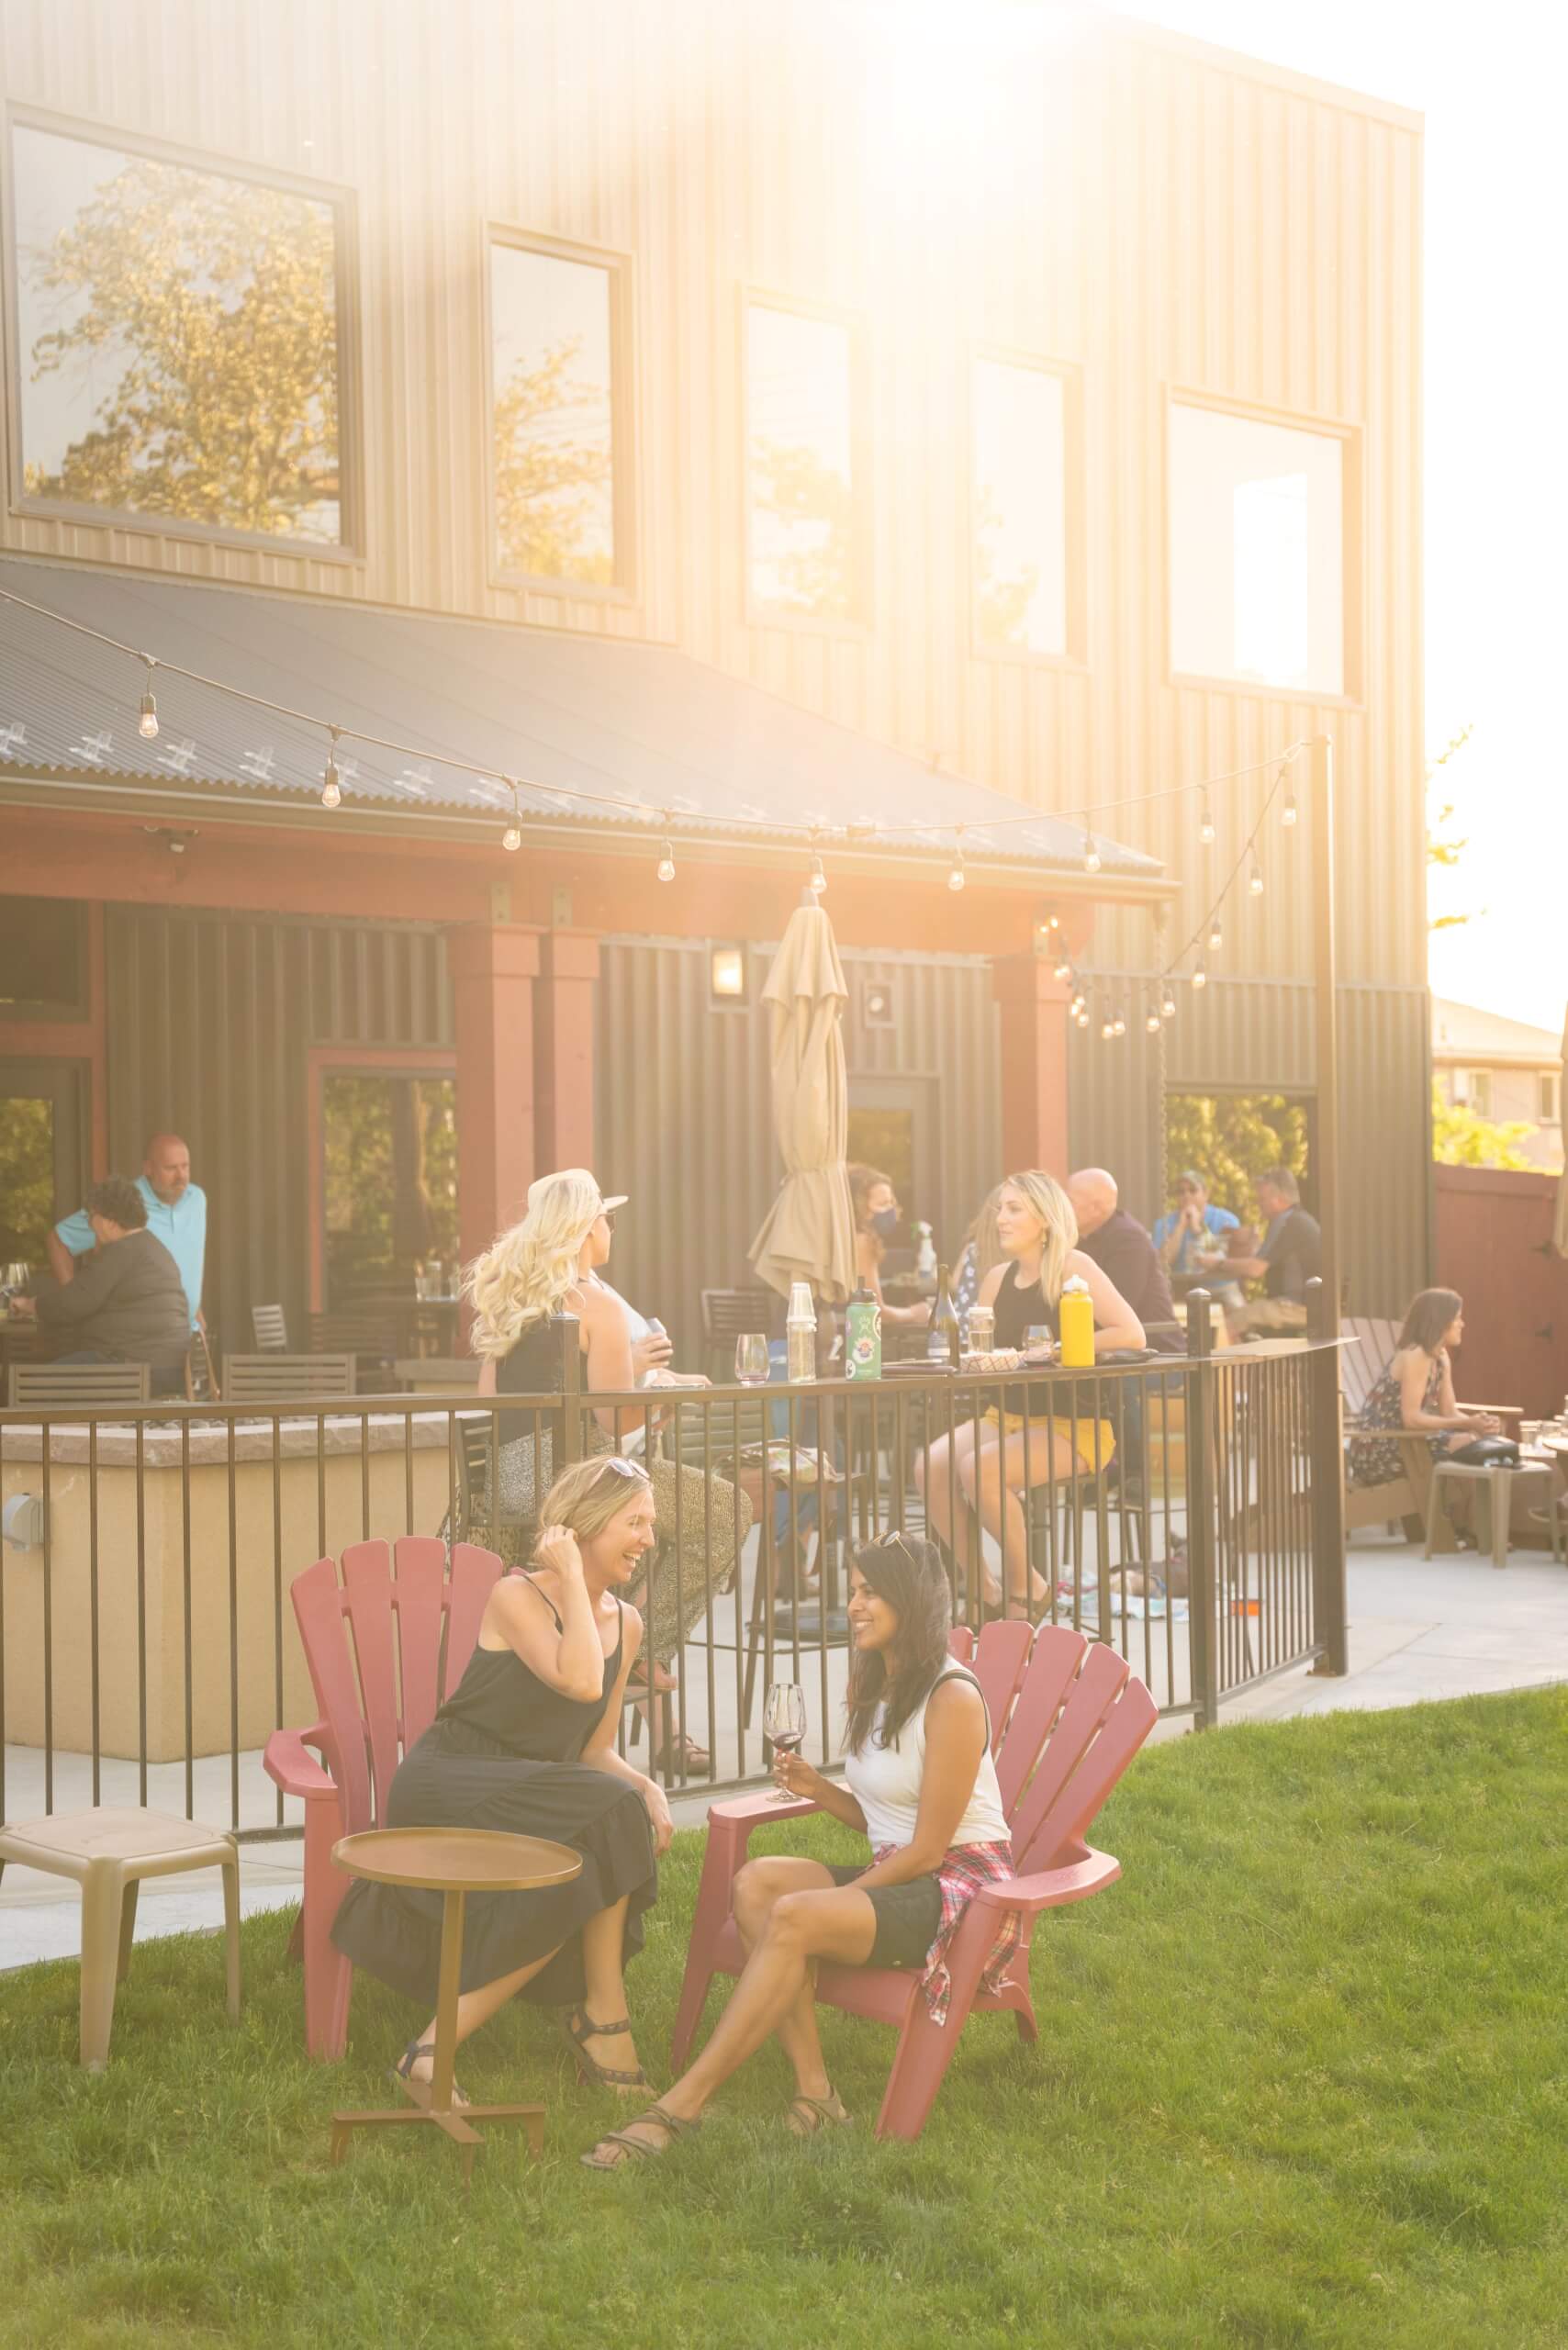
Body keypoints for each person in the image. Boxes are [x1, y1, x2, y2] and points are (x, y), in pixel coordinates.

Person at [581, 1534, 1016, 2166]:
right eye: (854, 1590)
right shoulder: (883, 1682)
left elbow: (927, 1851)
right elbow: (885, 1819)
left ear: (912, 1601)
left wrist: (837, 1897)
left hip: (959, 1889)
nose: (854, 1605)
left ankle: (679, 2106)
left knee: (793, 1914)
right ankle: (817, 2093)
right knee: (758, 1884)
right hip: (898, 1870)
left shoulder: (952, 1697)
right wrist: (819, 1788)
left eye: (871, 1593)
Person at [331, 1454, 669, 2101]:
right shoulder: (517, 1596)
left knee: (605, 1824)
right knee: (607, 1814)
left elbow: (594, 1751)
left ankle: (429, 2054)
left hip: (530, 1788)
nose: (648, 1540)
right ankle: (603, 2022)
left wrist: (646, 1786)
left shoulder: (626, 1624)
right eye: (635, 1522)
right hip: (451, 1778)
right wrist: (571, 1576)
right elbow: (580, 1681)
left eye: (650, 1524)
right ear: (586, 1527)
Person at [916, 1171, 1145, 1618]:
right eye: (1000, 1208)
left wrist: (1058, 1351)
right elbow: (982, 1350)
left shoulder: (1073, 1268)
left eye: (1014, 1209)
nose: (1001, 1218)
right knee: (931, 1466)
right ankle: (984, 1587)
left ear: (1044, 1218)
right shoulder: (996, 1279)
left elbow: (1131, 1333)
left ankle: (1027, 1586)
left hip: (1073, 1426)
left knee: (980, 1469)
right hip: (1004, 1417)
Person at [576, 1235, 754, 1776]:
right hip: (589, 1467)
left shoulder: (598, 1289)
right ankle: (645, 1659)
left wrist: (657, 1387)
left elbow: (614, 1389)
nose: (611, 1227)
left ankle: (656, 1703)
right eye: (605, 1216)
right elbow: (598, 1402)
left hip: (617, 1456)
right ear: (584, 1226)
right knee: (722, 1512)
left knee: (648, 1555)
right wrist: (643, 1379)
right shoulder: (573, 1297)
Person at [14, 1175, 190, 1393]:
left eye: (91, 1217)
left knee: (30, 1389)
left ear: (107, 1220)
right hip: (161, 1365)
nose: (89, 1225)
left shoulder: (122, 1251)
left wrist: (30, 1305)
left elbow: (74, 1302)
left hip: (133, 1367)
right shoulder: (152, 1248)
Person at [48, 1135, 207, 1332]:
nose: (181, 1176)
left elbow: (186, 1257)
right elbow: (59, 1240)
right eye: (171, 1168)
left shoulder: (197, 1199)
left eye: (185, 1166)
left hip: (188, 1332)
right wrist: (73, 1302)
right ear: (148, 1169)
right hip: (139, 1339)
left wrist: (195, 1307)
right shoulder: (124, 1202)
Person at [1348, 1289, 1500, 1490]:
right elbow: (1410, 1419)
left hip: (1410, 1443)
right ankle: (1457, 1517)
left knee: (1482, 1441)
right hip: (1381, 1449)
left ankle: (1456, 1514)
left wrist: (1479, 1422)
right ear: (1441, 1321)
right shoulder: (1416, 1355)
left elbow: (1449, 1411)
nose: (1462, 1324)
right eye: (1458, 1318)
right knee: (1472, 1444)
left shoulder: (1441, 1356)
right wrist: (1468, 1423)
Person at [1066, 1169, 1180, 1348]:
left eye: (1069, 1201)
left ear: (1095, 1209)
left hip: (1155, 1357)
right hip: (1105, 1354)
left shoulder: (1128, 1240)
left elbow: (1116, 1309)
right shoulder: (1080, 1239)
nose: (1062, 1207)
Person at [1226, 1167, 1322, 1337]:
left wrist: (1217, 1263)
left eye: (1262, 1199)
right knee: (1235, 1311)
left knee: (1230, 1322)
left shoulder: (1285, 1221)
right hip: (1310, 1305)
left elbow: (1255, 1269)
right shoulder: (1298, 1218)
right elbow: (1264, 1259)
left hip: (1297, 1307)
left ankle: (1228, 1364)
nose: (1258, 1204)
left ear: (1278, 1199)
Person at [847, 1164, 931, 1328]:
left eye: (891, 1202)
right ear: (860, 1207)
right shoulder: (862, 1241)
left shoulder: (849, 1238)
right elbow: (876, 1311)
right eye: (882, 1203)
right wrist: (916, 1312)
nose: (890, 1210)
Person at [1153, 1170, 1242, 1303]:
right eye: (1181, 1192)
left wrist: (1198, 1229)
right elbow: (1161, 1264)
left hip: (1221, 1288)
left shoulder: (1227, 1220)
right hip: (1181, 1290)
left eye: (1193, 1190)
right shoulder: (1163, 1224)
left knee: (1238, 1313)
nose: (1186, 1195)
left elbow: (1219, 1258)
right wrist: (1180, 1227)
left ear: (1206, 1194)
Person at [953, 1185, 1004, 1325]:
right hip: (990, 1332)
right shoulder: (1013, 1251)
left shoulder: (972, 1250)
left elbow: (955, 1284)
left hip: (963, 1329)